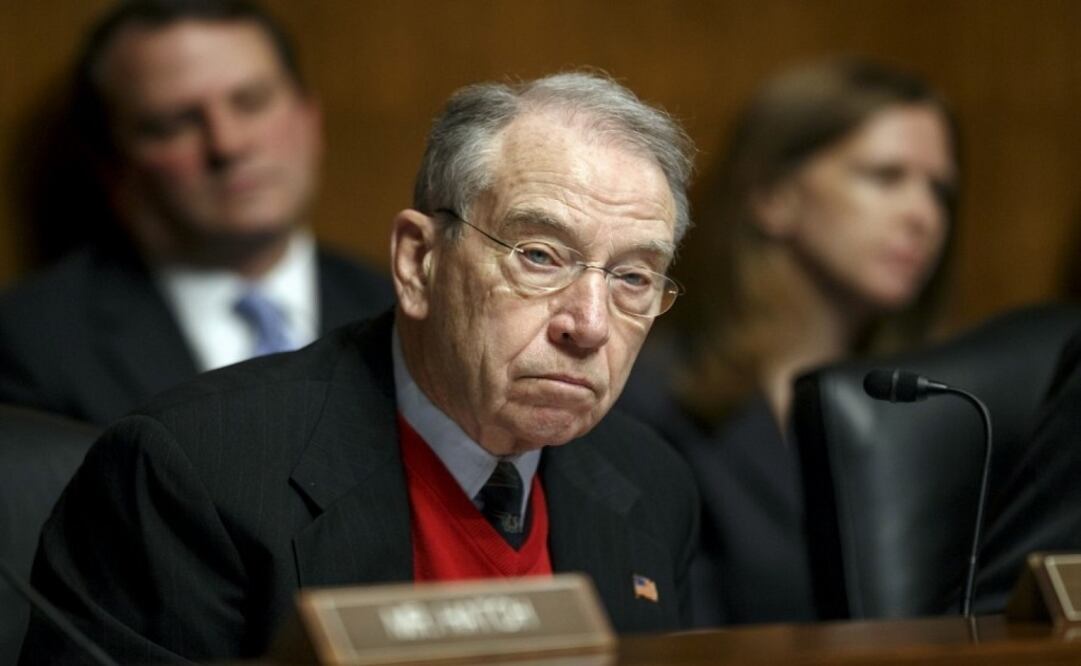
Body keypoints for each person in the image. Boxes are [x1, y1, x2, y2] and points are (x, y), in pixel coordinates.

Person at [19, 71, 699, 664]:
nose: (587, 323)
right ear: (417, 262)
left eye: (633, 277)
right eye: (539, 257)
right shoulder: (194, 476)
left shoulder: (651, 484)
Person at [618, 57, 960, 625]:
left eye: (941, 191)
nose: (924, 215)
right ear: (772, 196)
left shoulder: (949, 406)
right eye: (886, 176)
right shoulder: (658, 399)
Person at [0, 0, 394, 426]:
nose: (227, 144)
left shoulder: (405, 310)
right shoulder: (33, 343)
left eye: (251, 101)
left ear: (310, 118)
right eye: (174, 123)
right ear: (112, 165)